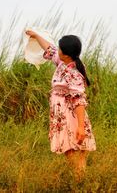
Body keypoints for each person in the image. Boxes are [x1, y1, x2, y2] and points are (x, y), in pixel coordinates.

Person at [25, 30, 96, 182]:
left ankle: (80, 184)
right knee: (74, 153)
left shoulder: (73, 72)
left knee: (73, 151)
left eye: (60, 48)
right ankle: (81, 182)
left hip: (70, 116)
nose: (57, 50)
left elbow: (79, 100)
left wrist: (81, 126)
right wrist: (36, 36)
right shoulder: (63, 62)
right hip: (63, 114)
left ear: (66, 53)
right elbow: (49, 50)